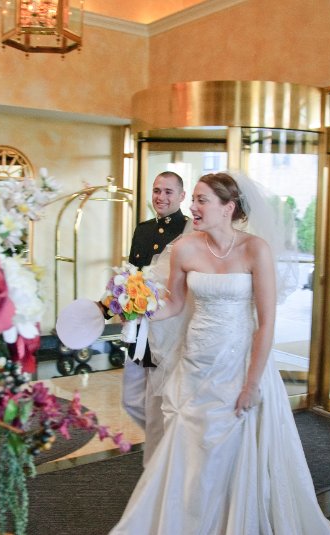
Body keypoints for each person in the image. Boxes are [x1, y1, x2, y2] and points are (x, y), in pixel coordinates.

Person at [111, 172, 330, 535]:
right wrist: (136, 308)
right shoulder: (185, 249)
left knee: (233, 450)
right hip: (195, 364)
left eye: (201, 200)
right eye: (194, 199)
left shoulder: (255, 249)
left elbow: (265, 324)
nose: (192, 207)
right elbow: (175, 304)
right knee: (188, 449)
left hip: (240, 364)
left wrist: (251, 383)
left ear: (228, 207)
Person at [121, 171, 189, 462]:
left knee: (161, 398)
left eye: (168, 192)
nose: (161, 197)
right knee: (132, 398)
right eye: (156, 190)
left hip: (171, 325)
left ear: (182, 196)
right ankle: (162, 447)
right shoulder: (143, 229)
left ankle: (162, 457)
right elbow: (132, 273)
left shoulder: (191, 230)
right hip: (140, 324)